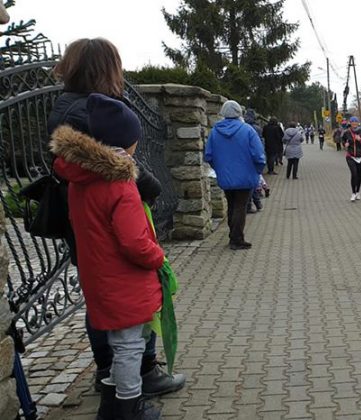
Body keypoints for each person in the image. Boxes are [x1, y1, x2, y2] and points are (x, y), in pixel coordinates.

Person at [47, 37, 185, 399]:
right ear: (106, 69)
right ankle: (136, 375)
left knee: (101, 295)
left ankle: (112, 371)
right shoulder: (94, 112)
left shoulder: (67, 106)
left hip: (84, 220)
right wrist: (149, 187)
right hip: (109, 224)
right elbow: (117, 164)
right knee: (130, 296)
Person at [51, 94, 165, 420]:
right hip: (123, 279)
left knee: (118, 343)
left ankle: (111, 406)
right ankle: (130, 408)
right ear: (126, 140)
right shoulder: (120, 182)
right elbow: (134, 242)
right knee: (129, 345)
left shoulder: (80, 177)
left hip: (98, 274)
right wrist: (157, 257)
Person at [205, 101, 266, 250]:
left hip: (225, 176)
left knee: (232, 205)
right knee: (240, 206)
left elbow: (209, 155)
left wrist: (219, 168)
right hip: (246, 176)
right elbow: (258, 155)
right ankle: (237, 239)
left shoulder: (215, 131)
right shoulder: (248, 130)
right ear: (239, 112)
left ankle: (233, 235)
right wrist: (257, 171)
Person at [343, 116, 361, 201]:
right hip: (350, 156)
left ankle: (358, 192)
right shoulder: (347, 132)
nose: (354, 123)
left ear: (358, 123)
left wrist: (360, 140)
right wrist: (345, 144)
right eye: (352, 122)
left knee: (359, 175)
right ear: (350, 123)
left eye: (356, 122)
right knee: (354, 174)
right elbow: (343, 141)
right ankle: (353, 193)